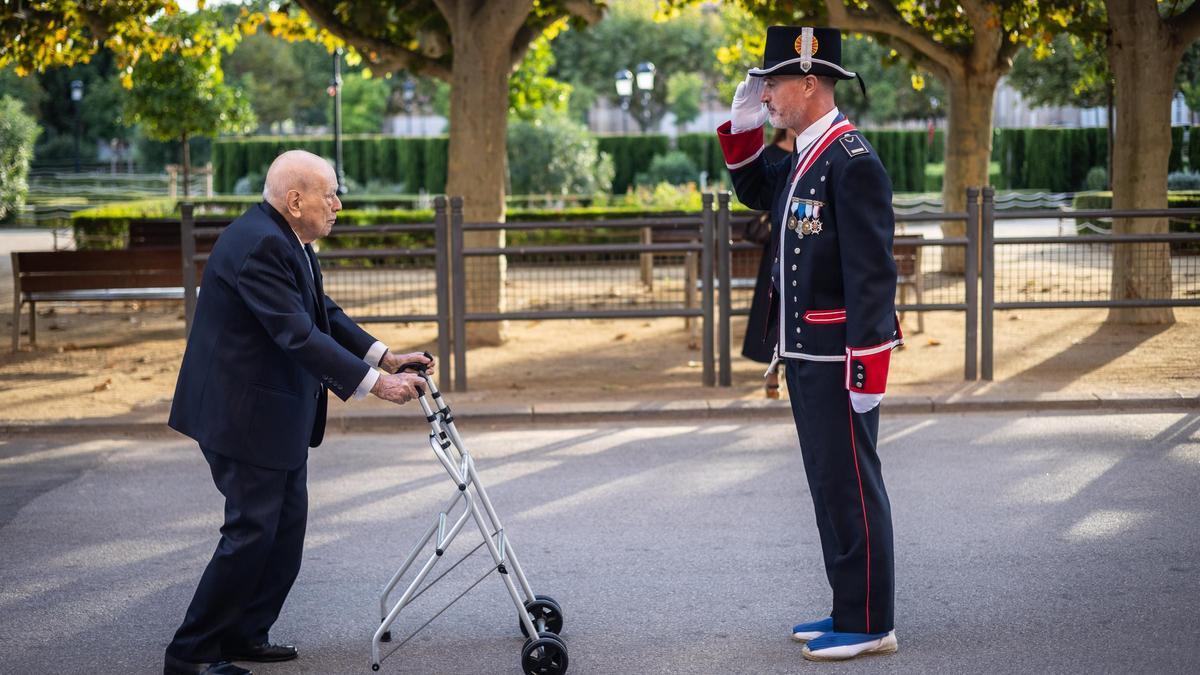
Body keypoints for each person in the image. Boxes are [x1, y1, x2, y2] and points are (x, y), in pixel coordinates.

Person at [164, 150, 433, 675]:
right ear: (295, 200)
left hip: (269, 413)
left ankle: (244, 633)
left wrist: (383, 355)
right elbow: (297, 334)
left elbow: (320, 312)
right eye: (329, 194)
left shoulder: (289, 238)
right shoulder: (263, 244)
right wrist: (377, 385)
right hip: (242, 415)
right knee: (250, 533)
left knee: (282, 533)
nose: (337, 205)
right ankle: (191, 655)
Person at [717, 26, 902, 661]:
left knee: (852, 484)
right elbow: (749, 186)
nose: (763, 92)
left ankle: (871, 621)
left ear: (807, 82)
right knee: (829, 484)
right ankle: (848, 607)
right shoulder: (803, 154)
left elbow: (873, 272)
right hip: (804, 354)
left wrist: (867, 366)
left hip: (838, 357)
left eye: (770, 83)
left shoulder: (851, 161)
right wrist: (740, 118)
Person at [742, 127, 796, 398]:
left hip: (800, 241)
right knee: (771, 309)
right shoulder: (773, 154)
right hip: (775, 243)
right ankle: (773, 371)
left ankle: (793, 370)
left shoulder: (814, 150)